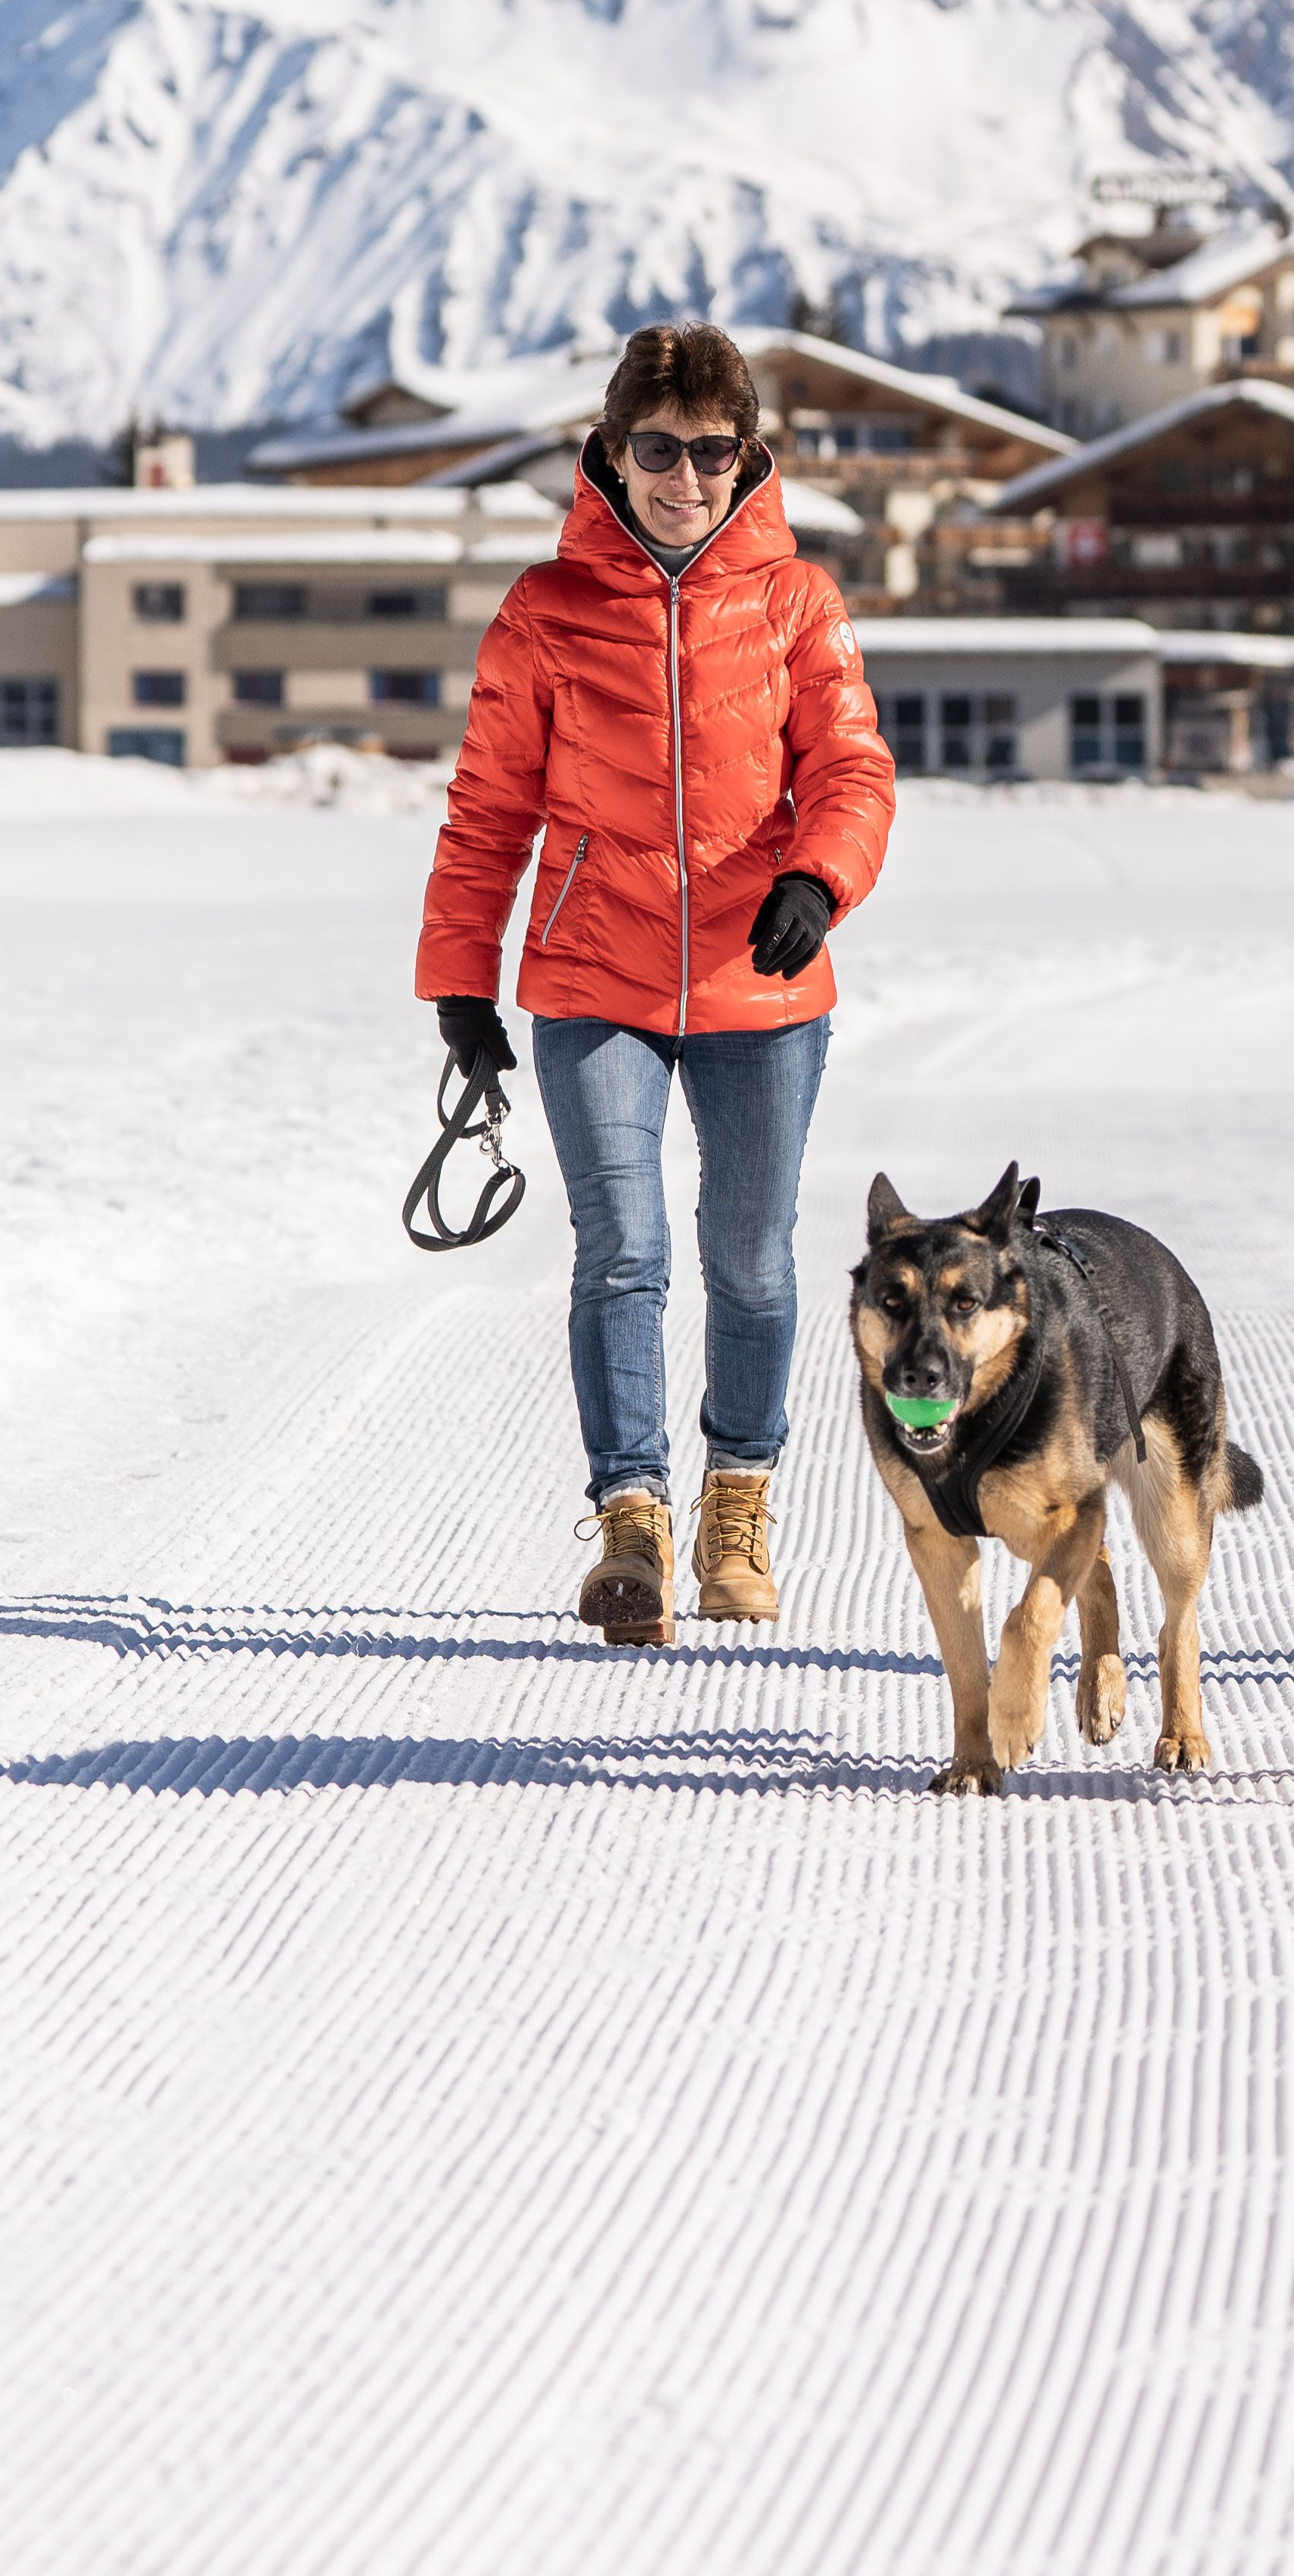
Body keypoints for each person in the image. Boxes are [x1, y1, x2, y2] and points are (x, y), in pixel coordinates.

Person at [417, 321, 895, 1642]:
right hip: (591, 977)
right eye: (657, 448)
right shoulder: (545, 611)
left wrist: (820, 877)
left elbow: (852, 769)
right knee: (621, 1252)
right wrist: (463, 981)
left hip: (763, 981)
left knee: (747, 1261)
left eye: (710, 448)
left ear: (747, 456)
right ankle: (631, 1523)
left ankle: (737, 1501)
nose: (684, 474)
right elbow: (486, 811)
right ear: (612, 455)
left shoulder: (797, 601)